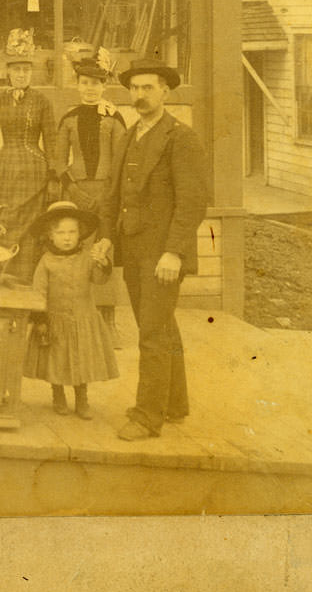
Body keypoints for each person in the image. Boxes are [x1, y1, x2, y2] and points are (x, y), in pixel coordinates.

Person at [94, 58, 209, 441]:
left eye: (148, 88)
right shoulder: (129, 135)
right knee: (157, 326)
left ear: (165, 91)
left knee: (153, 334)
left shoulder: (181, 137)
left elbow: (192, 202)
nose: (140, 95)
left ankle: (147, 417)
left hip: (163, 254)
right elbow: (112, 193)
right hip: (134, 248)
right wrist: (107, 236)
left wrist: (174, 252)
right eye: (135, 88)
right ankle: (174, 404)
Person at [55, 51, 127, 344]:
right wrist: (74, 191)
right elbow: (58, 162)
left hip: (107, 196)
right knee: (78, 255)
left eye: (95, 83)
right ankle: (79, 322)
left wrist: (108, 197)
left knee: (105, 253)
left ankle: (108, 322)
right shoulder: (69, 119)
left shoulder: (114, 117)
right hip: (77, 195)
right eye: (84, 82)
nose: (89, 88)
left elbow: (122, 162)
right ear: (77, 84)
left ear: (104, 85)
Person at [22, 200, 118, 420]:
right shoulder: (46, 262)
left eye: (72, 232)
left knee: (80, 360)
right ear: (50, 235)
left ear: (80, 234)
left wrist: (102, 263)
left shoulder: (87, 258)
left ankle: (82, 399)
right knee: (55, 360)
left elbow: (100, 279)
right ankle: (58, 395)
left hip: (82, 321)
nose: (67, 237)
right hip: (55, 321)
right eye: (61, 232)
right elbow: (38, 293)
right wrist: (40, 319)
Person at [0, 29, 58, 279]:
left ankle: (26, 281)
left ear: (31, 72)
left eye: (26, 70)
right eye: (16, 70)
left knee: (30, 229)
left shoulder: (42, 101)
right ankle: (4, 279)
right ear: (8, 72)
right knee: (6, 224)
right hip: (5, 171)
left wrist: (54, 176)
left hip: (35, 172)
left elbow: (52, 142)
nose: (21, 74)